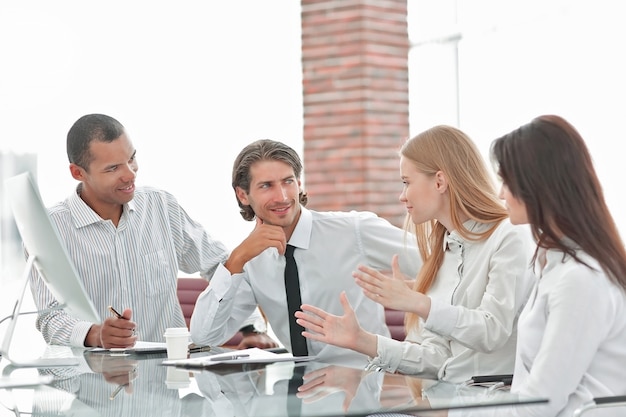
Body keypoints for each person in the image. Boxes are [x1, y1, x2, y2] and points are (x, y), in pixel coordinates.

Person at [295, 125, 533, 382]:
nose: (402, 195)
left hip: (492, 404)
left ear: (440, 181)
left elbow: (491, 330)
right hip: (450, 403)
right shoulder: (444, 251)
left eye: (407, 182)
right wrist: (362, 340)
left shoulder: (509, 236)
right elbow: (438, 359)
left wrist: (417, 302)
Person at [29, 113, 277, 349]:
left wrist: (251, 328)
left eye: (131, 159)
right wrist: (95, 334)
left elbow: (222, 266)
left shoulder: (161, 206)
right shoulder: (51, 229)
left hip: (165, 378)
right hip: (91, 381)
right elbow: (49, 317)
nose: (130, 174)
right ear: (78, 173)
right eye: (113, 168)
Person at [190, 139, 422, 366]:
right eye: (266, 186)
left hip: (365, 386)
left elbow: (438, 265)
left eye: (288, 182)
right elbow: (205, 336)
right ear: (243, 195)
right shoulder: (250, 261)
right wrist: (236, 260)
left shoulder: (354, 230)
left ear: (299, 183)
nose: (281, 196)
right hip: (297, 391)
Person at [451, 115, 626, 417]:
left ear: (537, 185)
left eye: (506, 181)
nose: (499, 193)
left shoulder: (580, 279)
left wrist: (452, 415)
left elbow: (539, 405)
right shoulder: (552, 266)